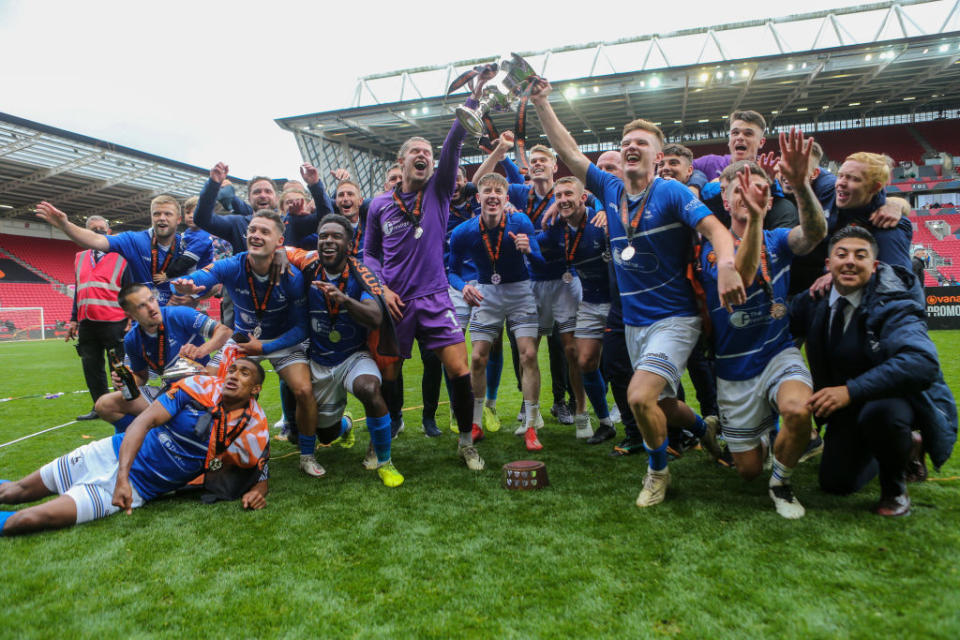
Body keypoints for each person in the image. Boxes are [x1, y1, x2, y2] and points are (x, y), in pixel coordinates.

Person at [530, 78, 746, 508]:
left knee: (638, 396)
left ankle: (657, 472)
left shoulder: (671, 192)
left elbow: (716, 229)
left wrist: (726, 265)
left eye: (641, 143)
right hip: (634, 322)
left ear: (657, 156)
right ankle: (704, 428)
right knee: (661, 406)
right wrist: (540, 102)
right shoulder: (610, 190)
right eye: (626, 141)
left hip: (674, 319)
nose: (631, 146)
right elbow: (570, 152)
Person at [363, 72, 496, 471]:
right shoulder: (378, 205)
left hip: (436, 298)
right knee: (388, 377)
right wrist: (381, 289)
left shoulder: (438, 191)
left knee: (459, 371)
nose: (424, 155)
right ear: (401, 161)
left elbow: (454, 142)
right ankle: (383, 439)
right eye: (415, 151)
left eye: (428, 152)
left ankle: (465, 442)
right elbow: (368, 253)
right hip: (395, 302)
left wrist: (473, 101)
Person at [0, 345, 270, 536]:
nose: (233, 375)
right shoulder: (199, 387)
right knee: (13, 492)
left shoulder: (254, 426)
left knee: (24, 520)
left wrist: (260, 490)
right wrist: (121, 478)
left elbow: (260, 463)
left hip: (136, 488)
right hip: (108, 455)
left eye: (244, 373)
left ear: (255, 389)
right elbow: (144, 421)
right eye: (232, 369)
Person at [700, 129, 828, 518]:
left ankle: (783, 482)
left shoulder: (778, 238)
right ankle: (752, 433)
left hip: (777, 352)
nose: (747, 195)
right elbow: (742, 275)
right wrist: (753, 221)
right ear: (724, 199)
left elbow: (816, 234)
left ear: (770, 199)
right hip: (735, 369)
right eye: (738, 190)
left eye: (757, 189)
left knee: (798, 410)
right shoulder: (712, 250)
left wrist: (802, 185)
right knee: (748, 472)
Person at [789, 226, 957, 516]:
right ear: (828, 266)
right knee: (836, 484)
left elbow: (922, 362)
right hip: (845, 408)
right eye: (841, 255)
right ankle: (897, 448)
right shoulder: (813, 300)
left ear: (875, 266)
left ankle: (895, 487)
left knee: (882, 414)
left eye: (860, 255)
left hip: (889, 400)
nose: (850, 261)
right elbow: (775, 330)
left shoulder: (894, 302)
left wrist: (851, 391)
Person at [171, 209, 320, 478]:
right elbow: (206, 275)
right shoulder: (234, 264)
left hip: (281, 340)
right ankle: (210, 450)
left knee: (304, 391)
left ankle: (307, 455)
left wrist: (263, 347)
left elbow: (301, 328)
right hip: (242, 338)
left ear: (279, 241)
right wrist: (188, 285)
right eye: (252, 230)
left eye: (264, 231)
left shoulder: (292, 277)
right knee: (210, 382)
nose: (256, 235)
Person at [475, 135, 583, 428]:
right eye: (533, 161)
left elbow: (586, 204)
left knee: (563, 346)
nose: (537, 165)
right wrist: (500, 148)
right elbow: (483, 179)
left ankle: (564, 402)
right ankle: (527, 402)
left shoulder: (562, 195)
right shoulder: (521, 193)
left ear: (554, 165)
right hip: (529, 279)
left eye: (542, 161)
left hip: (561, 276)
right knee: (522, 345)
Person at [288, 214, 403, 486]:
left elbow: (375, 316)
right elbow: (280, 247)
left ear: (349, 244)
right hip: (318, 359)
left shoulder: (361, 273)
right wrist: (282, 256)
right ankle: (345, 426)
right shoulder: (308, 264)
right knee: (326, 436)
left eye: (336, 236)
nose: (328, 241)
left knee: (369, 389)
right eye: (324, 236)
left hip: (352, 356)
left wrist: (344, 300)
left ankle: (385, 462)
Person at [449, 172, 545, 451]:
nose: (493, 196)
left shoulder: (521, 222)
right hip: (486, 293)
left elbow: (538, 261)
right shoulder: (463, 231)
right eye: (487, 191)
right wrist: (463, 287)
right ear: (478, 198)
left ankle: (530, 426)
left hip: (519, 290)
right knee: (478, 358)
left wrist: (529, 251)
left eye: (498, 192)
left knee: (528, 354)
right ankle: (477, 422)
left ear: (506, 198)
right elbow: (452, 271)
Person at [536, 176, 616, 441]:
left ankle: (642, 424)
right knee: (584, 360)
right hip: (590, 302)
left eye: (569, 194)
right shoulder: (558, 227)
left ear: (584, 197)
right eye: (558, 196)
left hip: (619, 301)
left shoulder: (602, 221)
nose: (562, 200)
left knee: (625, 365)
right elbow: (538, 243)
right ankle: (604, 421)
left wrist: (602, 205)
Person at [94, 283, 232, 433]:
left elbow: (225, 332)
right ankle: (146, 440)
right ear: (130, 314)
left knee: (231, 350)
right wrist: (127, 379)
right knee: (104, 405)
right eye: (142, 306)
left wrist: (202, 350)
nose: (152, 308)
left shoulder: (179, 315)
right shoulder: (132, 340)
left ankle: (173, 427)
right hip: (169, 393)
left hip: (201, 387)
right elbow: (142, 376)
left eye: (152, 300)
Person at [36, 196, 192, 306]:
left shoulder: (190, 246)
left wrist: (195, 297)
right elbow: (96, 240)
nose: (161, 218)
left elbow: (213, 283)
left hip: (178, 318)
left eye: (167, 214)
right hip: (144, 322)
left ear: (178, 219)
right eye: (156, 214)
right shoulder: (133, 240)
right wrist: (65, 225)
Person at [68, 215, 131, 421]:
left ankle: (126, 403)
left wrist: (130, 317)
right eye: (93, 229)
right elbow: (79, 290)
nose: (97, 231)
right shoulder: (79, 257)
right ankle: (99, 407)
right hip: (87, 323)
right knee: (91, 367)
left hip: (115, 321)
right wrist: (74, 319)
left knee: (118, 366)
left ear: (109, 232)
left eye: (101, 228)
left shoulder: (122, 256)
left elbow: (129, 289)